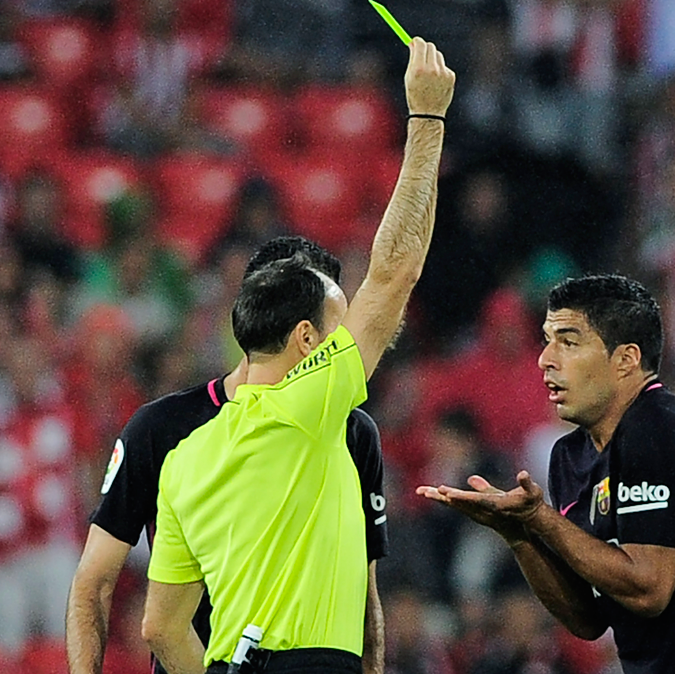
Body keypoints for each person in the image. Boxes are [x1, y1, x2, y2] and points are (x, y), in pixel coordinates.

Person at [138, 37, 454, 674]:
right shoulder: (307, 404)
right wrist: (426, 120)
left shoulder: (186, 456)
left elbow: (160, 629)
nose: (352, 338)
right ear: (309, 340)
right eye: (340, 324)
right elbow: (394, 273)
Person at [417, 274, 675, 674]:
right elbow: (588, 618)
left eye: (569, 342)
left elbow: (648, 588)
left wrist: (539, 519)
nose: (546, 358)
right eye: (548, 340)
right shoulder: (571, 456)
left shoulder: (660, 427)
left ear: (626, 360)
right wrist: (519, 535)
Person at [65, 236, 390, 674]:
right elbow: (95, 583)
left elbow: (363, 592)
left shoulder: (353, 432)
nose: (338, 347)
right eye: (335, 328)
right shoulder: (162, 429)